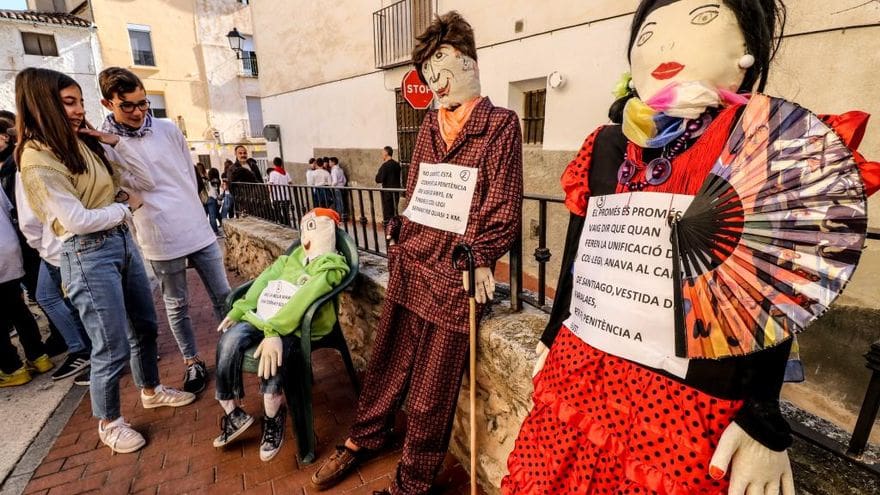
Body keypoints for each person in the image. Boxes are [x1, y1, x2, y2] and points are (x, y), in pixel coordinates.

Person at [501, 1, 880, 494]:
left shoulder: (765, 143)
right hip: (583, 368)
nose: (666, 43)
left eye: (701, 19)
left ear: (748, 48)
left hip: (683, 400)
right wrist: (554, 332)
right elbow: (578, 254)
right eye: (648, 33)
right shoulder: (607, 145)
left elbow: (777, 285)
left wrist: (761, 414)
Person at [311, 12, 523, 495]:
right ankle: (365, 436)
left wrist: (482, 253)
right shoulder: (430, 124)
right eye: (428, 72)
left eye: (442, 65)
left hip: (455, 272)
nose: (437, 80)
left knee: (432, 387)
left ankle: (412, 482)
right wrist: (399, 228)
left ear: (468, 61)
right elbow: (417, 190)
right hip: (413, 261)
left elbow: (503, 205)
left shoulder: (500, 124)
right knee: (388, 359)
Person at [16, 67, 195, 453]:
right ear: (42, 104)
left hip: (121, 243)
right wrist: (123, 210)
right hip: (88, 255)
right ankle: (109, 421)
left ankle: (151, 390)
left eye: (80, 101)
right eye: (69, 102)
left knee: (145, 327)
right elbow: (76, 221)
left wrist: (114, 142)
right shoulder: (36, 158)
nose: (79, 110)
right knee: (110, 345)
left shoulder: (80, 142)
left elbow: (141, 181)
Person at [99, 67, 232, 394]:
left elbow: (188, 174)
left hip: (196, 227)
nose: (138, 112)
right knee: (176, 304)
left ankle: (232, 350)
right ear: (107, 103)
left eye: (142, 103)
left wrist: (196, 210)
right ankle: (191, 361)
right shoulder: (103, 145)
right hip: (157, 233)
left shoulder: (168, 128)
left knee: (224, 296)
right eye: (127, 105)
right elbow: (123, 187)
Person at [213, 208, 349, 461]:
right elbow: (266, 279)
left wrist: (274, 331)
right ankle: (233, 414)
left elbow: (305, 298)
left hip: (294, 325)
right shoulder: (292, 258)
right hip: (265, 316)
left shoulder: (331, 266)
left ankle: (273, 417)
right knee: (228, 340)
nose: (307, 239)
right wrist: (241, 308)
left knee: (273, 358)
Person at [0, 186, 52, 387]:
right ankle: (38, 356)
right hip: (8, 247)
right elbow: (9, 208)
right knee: (17, 307)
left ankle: (12, 368)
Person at [375, 146, 401, 223]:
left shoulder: (385, 166)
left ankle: (389, 228)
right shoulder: (397, 165)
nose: (382, 155)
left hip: (387, 194)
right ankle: (395, 226)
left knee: (388, 214)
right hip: (396, 192)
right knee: (395, 212)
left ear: (386, 153)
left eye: (383, 153)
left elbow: (378, 179)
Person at [267, 157, 292, 225]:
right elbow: (290, 183)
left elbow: (271, 185)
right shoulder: (286, 173)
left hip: (276, 197)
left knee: (278, 212)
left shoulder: (272, 173)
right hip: (286, 197)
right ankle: (288, 225)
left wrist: (269, 193)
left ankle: (282, 225)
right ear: (281, 164)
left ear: (274, 164)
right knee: (286, 212)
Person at [206, 167, 222, 235]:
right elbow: (215, 191)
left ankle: (213, 231)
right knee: (213, 216)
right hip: (212, 199)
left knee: (211, 216)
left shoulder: (207, 181)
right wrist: (218, 197)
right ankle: (215, 231)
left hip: (207, 199)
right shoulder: (215, 181)